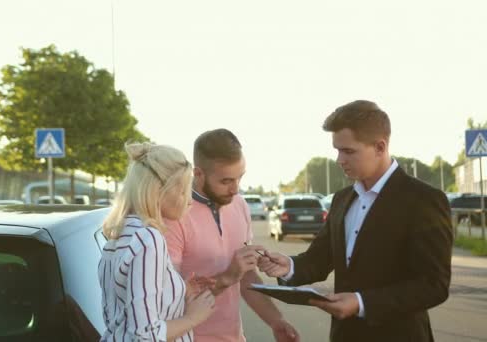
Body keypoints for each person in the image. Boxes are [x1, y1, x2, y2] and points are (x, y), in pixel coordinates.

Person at [258, 100, 453, 342]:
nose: (339, 159)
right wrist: (289, 266)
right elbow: (319, 259)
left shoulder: (424, 200)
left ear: (380, 147)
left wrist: (361, 302)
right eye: (337, 150)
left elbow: (433, 285)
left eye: (348, 151)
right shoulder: (341, 200)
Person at [164, 129, 299, 342]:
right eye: (226, 181)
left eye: (240, 178)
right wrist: (228, 276)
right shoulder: (172, 215)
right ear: (198, 174)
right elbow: (168, 300)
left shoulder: (240, 205)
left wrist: (276, 320)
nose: (236, 189)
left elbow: (247, 277)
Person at [99, 142, 216, 341]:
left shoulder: (119, 235)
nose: (189, 200)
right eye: (183, 191)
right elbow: (146, 335)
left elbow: (123, 313)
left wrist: (178, 289)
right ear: (158, 190)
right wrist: (193, 318)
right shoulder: (148, 239)